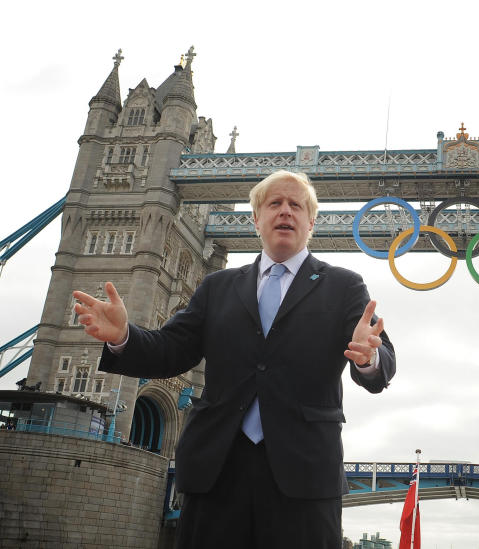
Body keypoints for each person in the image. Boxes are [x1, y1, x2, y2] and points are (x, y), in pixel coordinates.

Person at [73, 170, 396, 549]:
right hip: (216, 470)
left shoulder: (344, 286)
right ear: (255, 220)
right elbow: (172, 350)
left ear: (312, 222)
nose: (285, 212)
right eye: (274, 203)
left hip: (304, 474)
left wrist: (368, 359)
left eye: (296, 205)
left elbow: (382, 356)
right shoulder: (217, 287)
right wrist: (123, 337)